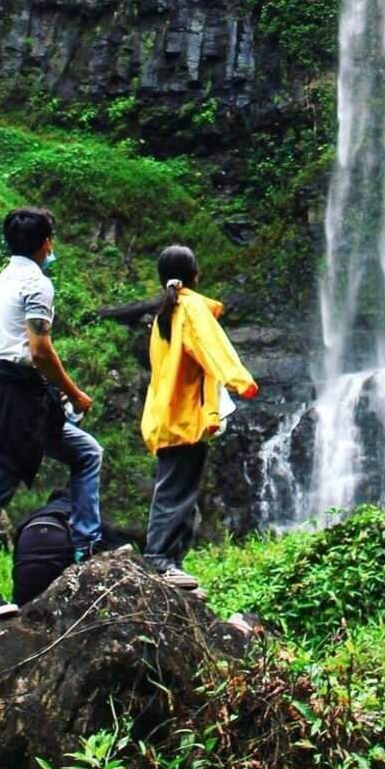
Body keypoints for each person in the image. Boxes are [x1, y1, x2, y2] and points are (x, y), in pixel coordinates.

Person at [0, 206, 103, 621]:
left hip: (18, 391)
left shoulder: (3, 279)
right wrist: (75, 394)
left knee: (85, 453)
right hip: (12, 394)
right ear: (46, 243)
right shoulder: (36, 284)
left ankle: (85, 547)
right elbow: (39, 351)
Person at [141, 244, 258, 592]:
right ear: (196, 275)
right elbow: (212, 347)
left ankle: (172, 563)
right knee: (174, 491)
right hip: (183, 417)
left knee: (179, 489)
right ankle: (159, 559)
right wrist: (240, 381)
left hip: (168, 413)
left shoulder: (167, 313)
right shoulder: (191, 308)